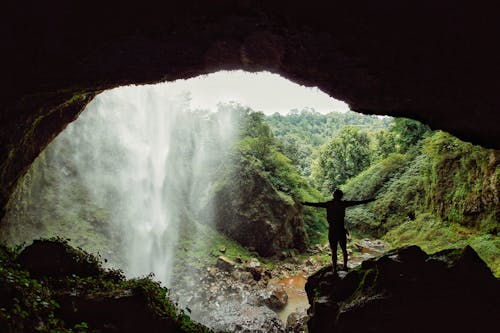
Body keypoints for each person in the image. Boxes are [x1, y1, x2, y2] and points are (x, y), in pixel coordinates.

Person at [301, 189, 375, 274]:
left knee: (334, 251)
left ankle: (335, 269)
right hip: (341, 230)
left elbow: (316, 205)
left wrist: (304, 203)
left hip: (332, 230)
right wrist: (370, 200)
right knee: (344, 249)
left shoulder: (329, 204)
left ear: (333, 195)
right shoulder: (343, 203)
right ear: (341, 196)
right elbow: (358, 202)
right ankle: (345, 266)